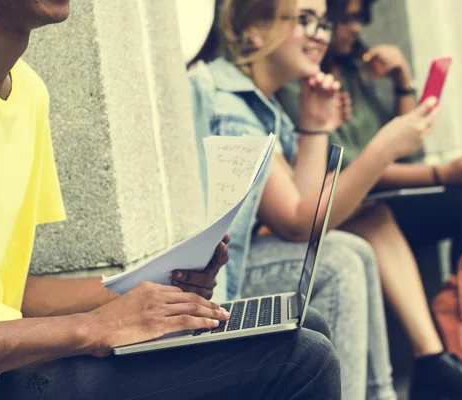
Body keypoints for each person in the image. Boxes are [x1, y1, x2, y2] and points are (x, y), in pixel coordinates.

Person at [0, 1, 342, 399]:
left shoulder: (26, 90)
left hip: (3, 369)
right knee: (300, 360)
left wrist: (157, 290)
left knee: (307, 327)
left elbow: (5, 291)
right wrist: (92, 327)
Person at [188, 0, 444, 398]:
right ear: (252, 30)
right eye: (302, 19)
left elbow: (302, 211)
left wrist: (314, 126)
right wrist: (384, 147)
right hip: (211, 285)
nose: (320, 34)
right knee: (339, 261)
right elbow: (298, 221)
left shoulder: (262, 103)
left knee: (353, 250)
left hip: (228, 267)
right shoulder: (229, 103)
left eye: (323, 23)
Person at [278, 0, 462, 397]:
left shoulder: (353, 74)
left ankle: (456, 349)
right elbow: (345, 173)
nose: (345, 31)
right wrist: (439, 174)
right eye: (344, 19)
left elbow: (400, 149)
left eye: (327, 23)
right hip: (357, 195)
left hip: (364, 194)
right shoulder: (301, 83)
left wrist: (402, 81)